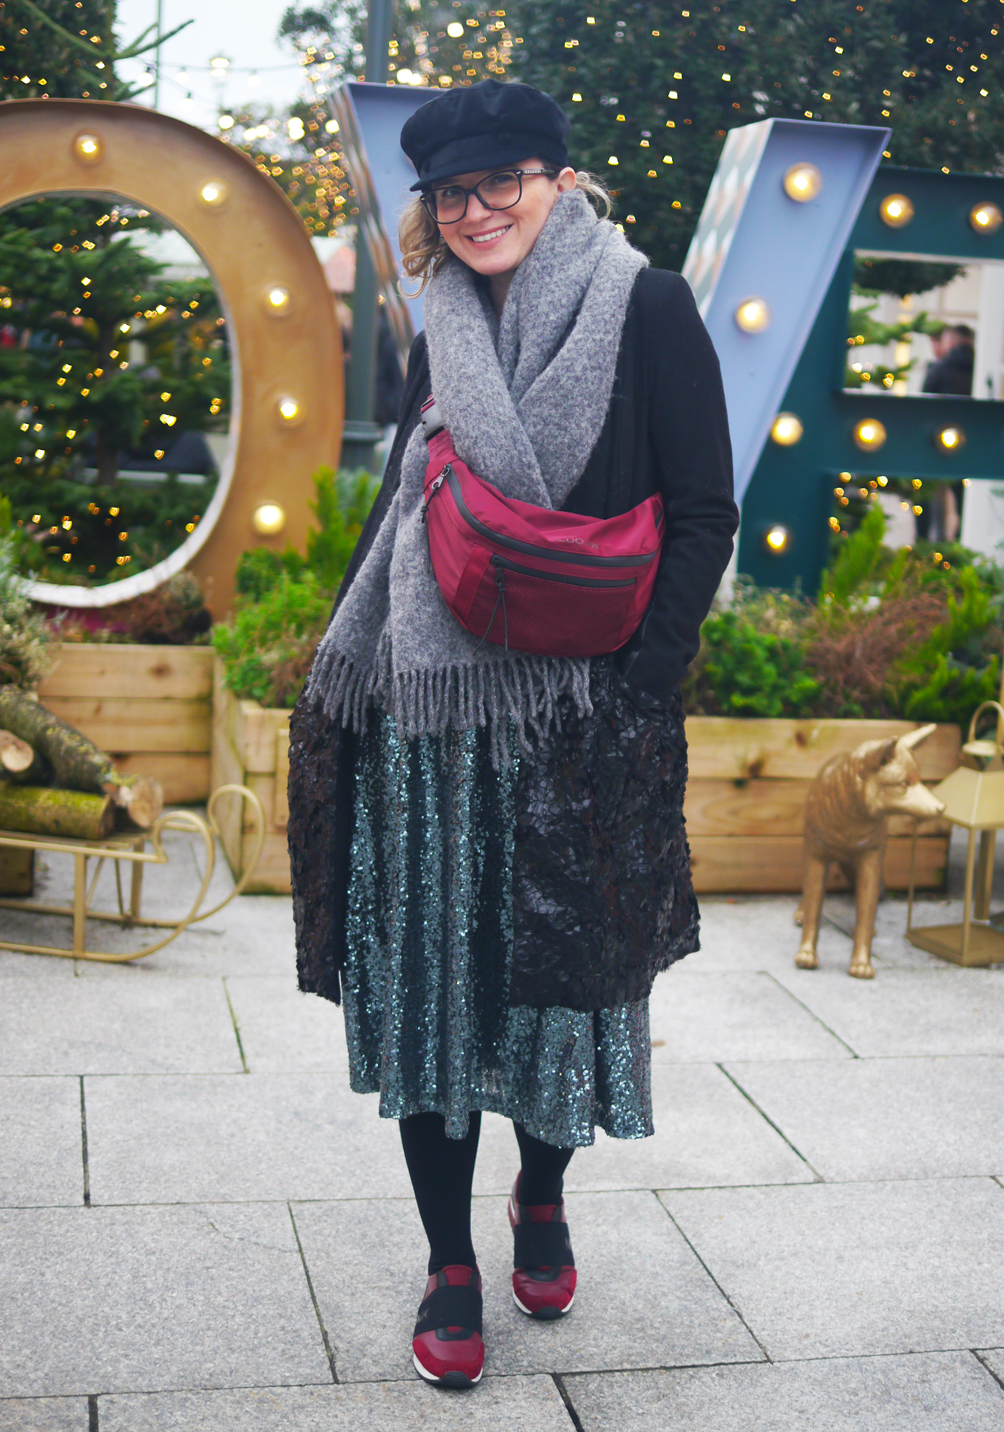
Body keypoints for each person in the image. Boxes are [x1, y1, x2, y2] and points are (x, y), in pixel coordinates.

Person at [287, 79, 738, 1389]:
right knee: (430, 988)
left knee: (560, 990)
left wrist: (639, 684)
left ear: (557, 180)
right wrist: (354, 666)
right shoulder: (442, 318)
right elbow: (410, 499)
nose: (476, 211)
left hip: (574, 720)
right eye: (451, 193)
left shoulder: (648, 305)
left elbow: (703, 510)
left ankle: (542, 1192)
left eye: (501, 184)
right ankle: (448, 1265)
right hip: (433, 721)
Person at [922, 323, 975, 395]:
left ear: (951, 341)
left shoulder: (939, 370)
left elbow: (925, 397)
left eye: (944, 340)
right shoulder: (978, 368)